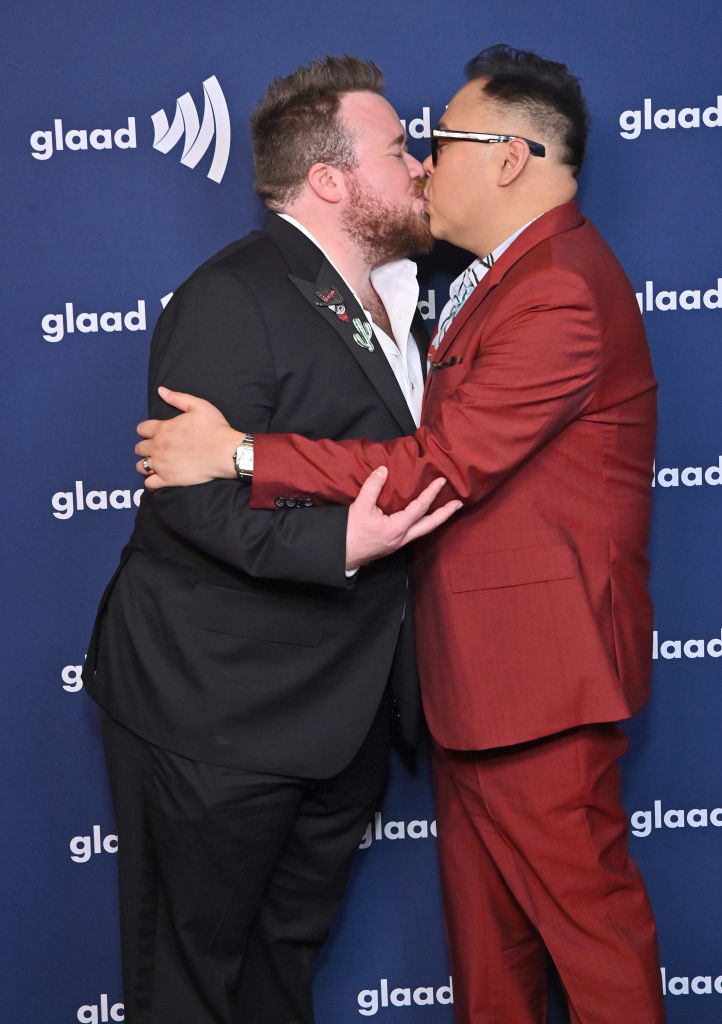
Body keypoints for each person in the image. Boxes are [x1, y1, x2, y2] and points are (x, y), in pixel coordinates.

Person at [135, 46, 667, 1023]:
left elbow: (438, 465)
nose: (424, 162)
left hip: (532, 685)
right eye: (407, 145)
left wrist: (243, 452)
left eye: (441, 140)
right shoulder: (492, 277)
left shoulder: (558, 289)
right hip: (470, 685)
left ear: (507, 157)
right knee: (489, 956)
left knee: (588, 946)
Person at [83, 54, 459, 1024]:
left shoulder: (396, 291)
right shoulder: (232, 297)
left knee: (282, 961)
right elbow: (187, 497)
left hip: (340, 716)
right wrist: (344, 539)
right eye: (397, 149)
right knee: (192, 978)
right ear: (329, 179)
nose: (420, 164)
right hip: (216, 712)